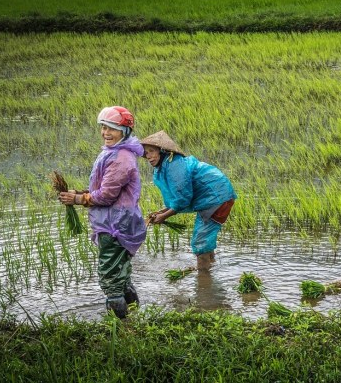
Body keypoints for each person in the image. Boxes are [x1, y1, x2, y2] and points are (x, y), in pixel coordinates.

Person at [58, 106, 147, 319]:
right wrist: (79, 193)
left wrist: (78, 199)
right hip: (118, 222)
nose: (106, 132)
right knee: (122, 276)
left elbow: (106, 195)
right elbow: (104, 189)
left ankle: (119, 328)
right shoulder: (115, 152)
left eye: (112, 128)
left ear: (124, 131)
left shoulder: (121, 158)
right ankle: (135, 320)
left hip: (115, 225)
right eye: (103, 127)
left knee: (110, 279)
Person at [141, 130, 236, 271]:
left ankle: (203, 280)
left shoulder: (174, 165)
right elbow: (178, 198)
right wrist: (163, 211)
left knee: (200, 240)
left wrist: (163, 216)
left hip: (216, 197)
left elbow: (183, 197)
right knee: (205, 237)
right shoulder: (164, 166)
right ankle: (210, 267)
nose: (148, 156)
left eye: (152, 151)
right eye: (146, 153)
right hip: (212, 197)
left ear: (162, 151)